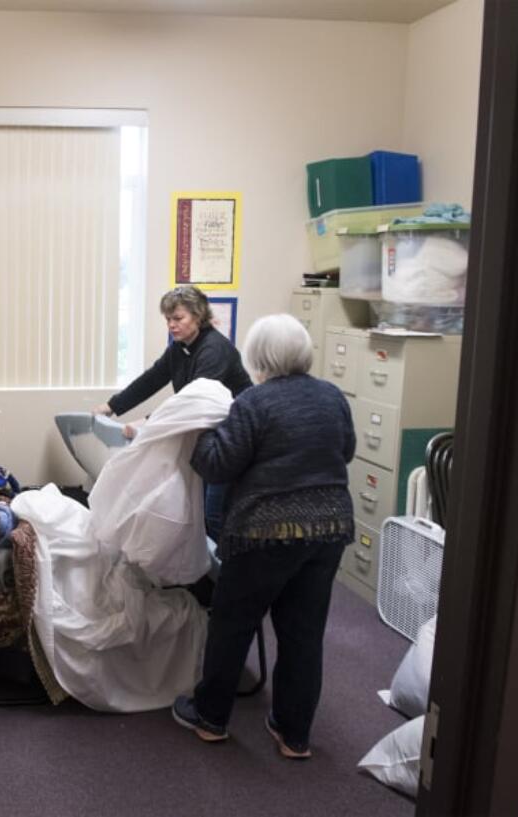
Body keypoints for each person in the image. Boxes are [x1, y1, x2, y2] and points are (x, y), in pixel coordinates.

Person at [170, 313, 355, 760]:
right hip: (328, 530)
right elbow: (345, 451)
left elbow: (217, 464)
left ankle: (211, 717)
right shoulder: (332, 397)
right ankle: (294, 734)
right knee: (304, 632)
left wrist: (200, 431)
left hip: (264, 534)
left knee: (233, 624)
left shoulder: (254, 403)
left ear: (259, 357)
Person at [93, 285, 251, 542]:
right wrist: (112, 406)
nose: (172, 325)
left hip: (233, 440)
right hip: (207, 437)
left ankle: (227, 578)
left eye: (178, 318)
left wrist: (147, 422)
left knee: (213, 515)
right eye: (168, 319)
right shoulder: (181, 347)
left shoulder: (214, 350)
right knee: (198, 512)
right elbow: (153, 378)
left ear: (198, 316)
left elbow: (192, 401)